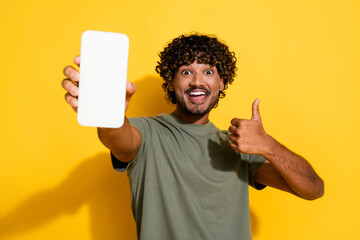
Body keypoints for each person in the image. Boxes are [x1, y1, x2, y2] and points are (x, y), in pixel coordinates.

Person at [62, 33, 324, 240]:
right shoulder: (149, 133)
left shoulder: (240, 144)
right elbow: (119, 139)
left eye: (208, 71)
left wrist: (268, 145)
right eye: (186, 72)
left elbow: (314, 189)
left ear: (221, 83)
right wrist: (107, 113)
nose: (197, 81)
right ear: (171, 82)